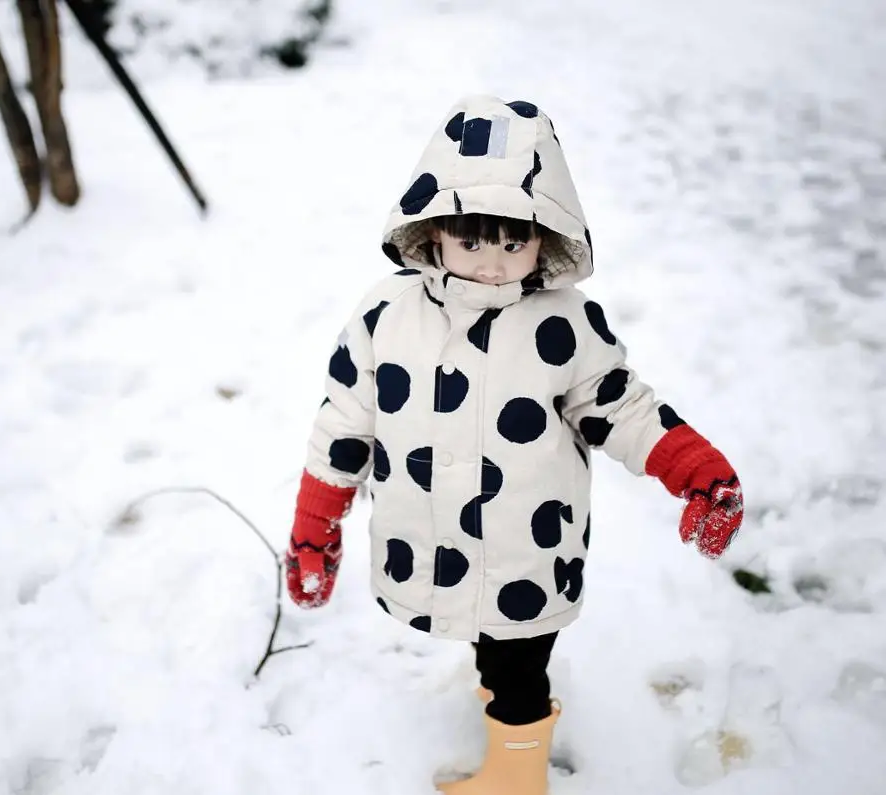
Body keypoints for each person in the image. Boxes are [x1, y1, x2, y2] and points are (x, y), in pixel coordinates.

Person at [284, 95, 744, 795]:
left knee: (516, 664)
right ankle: (502, 713)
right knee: (493, 651)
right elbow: (343, 423)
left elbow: (622, 406)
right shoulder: (384, 315)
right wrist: (314, 527)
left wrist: (696, 470)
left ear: (545, 235)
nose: (494, 264)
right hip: (436, 543)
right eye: (472, 240)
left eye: (513, 240)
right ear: (433, 231)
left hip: (524, 553)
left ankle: (517, 775)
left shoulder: (564, 323)